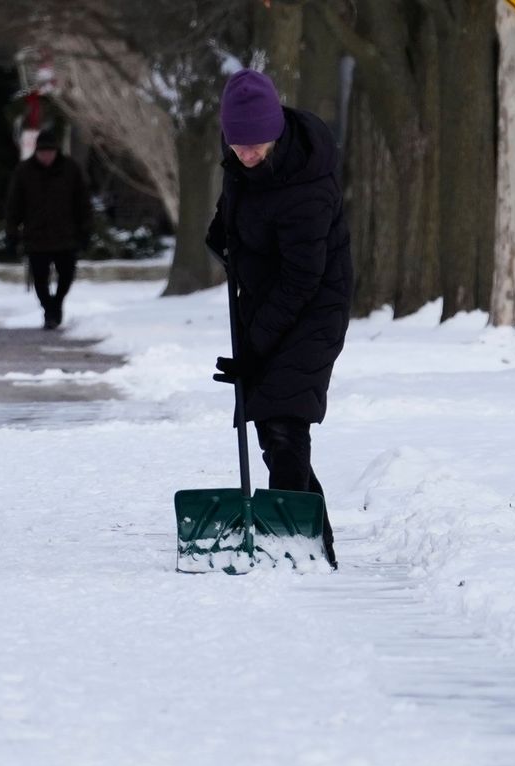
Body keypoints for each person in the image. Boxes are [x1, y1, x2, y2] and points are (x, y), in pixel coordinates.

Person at [205, 69, 353, 570]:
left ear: (277, 131)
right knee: (272, 431)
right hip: (267, 304)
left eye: (257, 144)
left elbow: (301, 281)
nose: (247, 154)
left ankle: (296, 547)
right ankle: (314, 542)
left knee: (287, 427)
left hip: (313, 311)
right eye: (238, 144)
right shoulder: (241, 161)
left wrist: (254, 349)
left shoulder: (308, 185)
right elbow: (238, 202)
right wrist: (220, 230)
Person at [5, 129, 93, 329]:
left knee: (67, 275)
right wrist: (12, 232)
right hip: (36, 236)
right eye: (42, 152)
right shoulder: (24, 171)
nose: (46, 156)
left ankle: (57, 303)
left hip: (66, 235)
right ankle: (49, 309)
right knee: (40, 280)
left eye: (50, 152)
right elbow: (14, 205)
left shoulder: (71, 169)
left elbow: (83, 202)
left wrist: (85, 230)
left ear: (56, 151)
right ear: (36, 152)